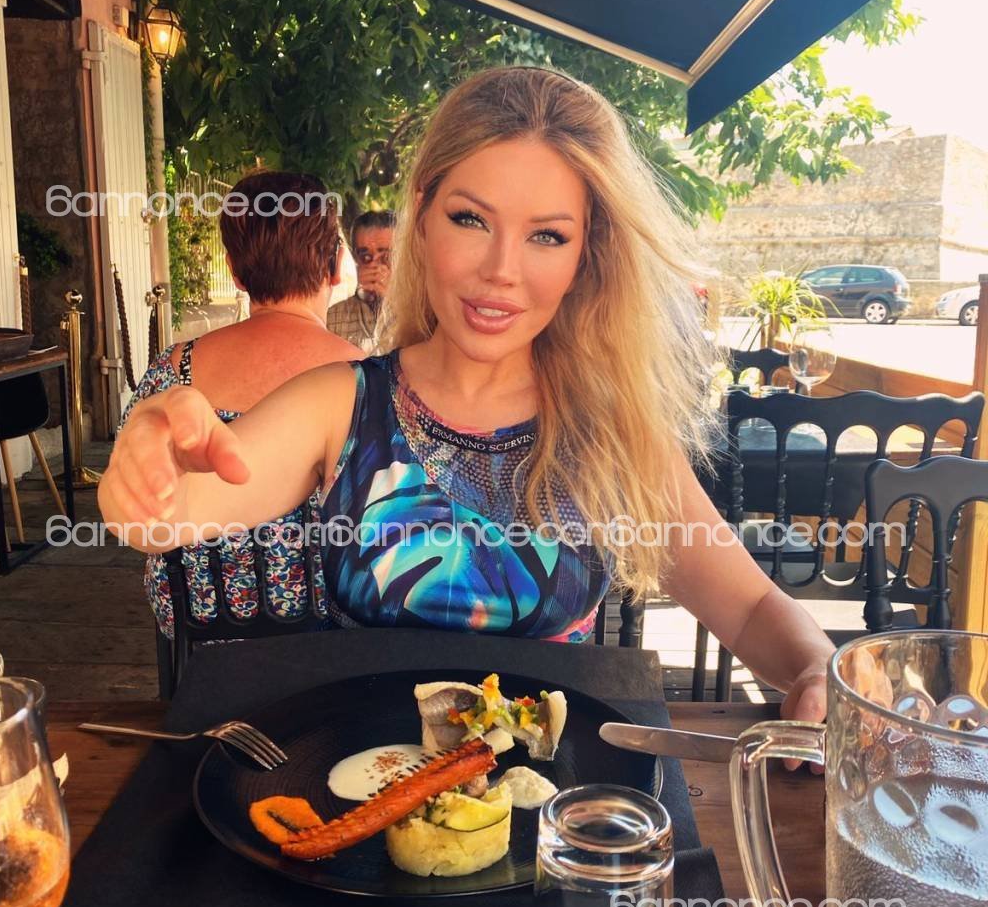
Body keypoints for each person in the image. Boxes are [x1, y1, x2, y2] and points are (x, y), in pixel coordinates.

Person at [101, 67, 833, 721]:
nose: (501, 270)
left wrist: (817, 670)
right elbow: (163, 520)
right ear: (422, 216)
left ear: (587, 253)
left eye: (547, 236)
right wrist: (152, 447)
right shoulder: (341, 405)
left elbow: (752, 609)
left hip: (551, 811)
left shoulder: (613, 435)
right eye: (470, 219)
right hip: (363, 801)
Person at [120, 169, 362, 638]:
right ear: (335, 264)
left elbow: (133, 488)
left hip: (195, 618)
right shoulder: (367, 380)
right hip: (328, 630)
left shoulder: (174, 370)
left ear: (234, 270)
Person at [326, 210, 395, 354]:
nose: (374, 266)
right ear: (355, 258)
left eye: (386, 257)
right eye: (366, 257)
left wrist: (391, 301)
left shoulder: (421, 317)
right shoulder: (331, 319)